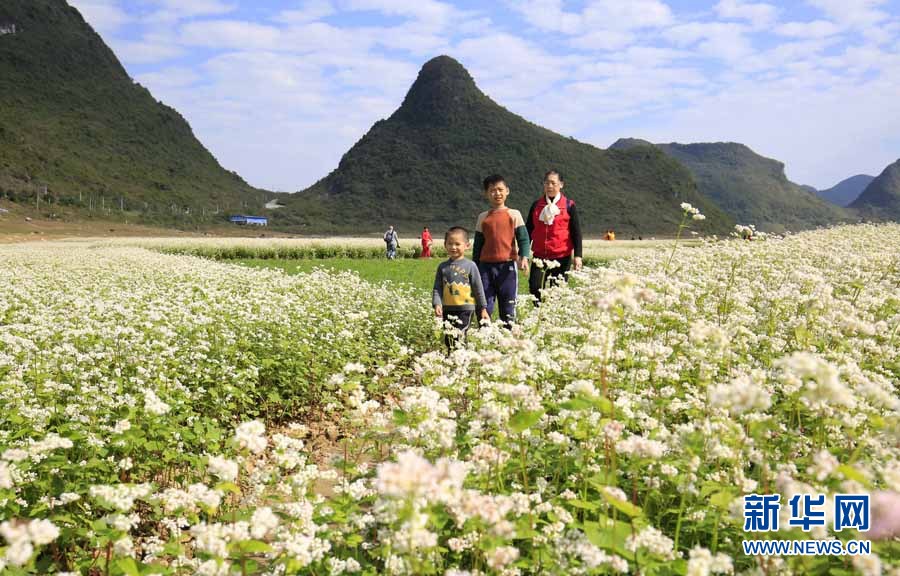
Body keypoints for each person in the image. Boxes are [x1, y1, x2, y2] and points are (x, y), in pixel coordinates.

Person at [473, 174, 530, 327]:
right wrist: (474, 268)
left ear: (507, 191)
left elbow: (524, 239)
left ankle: (508, 336)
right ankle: (484, 336)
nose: (497, 193)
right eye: (492, 190)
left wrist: (524, 257)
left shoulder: (514, 214)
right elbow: (477, 246)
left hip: (508, 267)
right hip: (485, 267)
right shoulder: (482, 217)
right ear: (486, 194)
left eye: (500, 189)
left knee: (508, 303)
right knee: (485, 303)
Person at [526, 170, 583, 303]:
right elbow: (529, 230)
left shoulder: (569, 205)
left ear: (561, 184)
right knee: (535, 288)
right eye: (547, 183)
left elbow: (576, 232)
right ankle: (539, 315)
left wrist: (578, 256)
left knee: (557, 292)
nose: (550, 186)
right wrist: (522, 253)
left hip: (562, 257)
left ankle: (552, 318)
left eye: (553, 183)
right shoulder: (536, 205)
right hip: (540, 256)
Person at [433, 227, 489, 349]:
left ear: (467, 245)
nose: (453, 247)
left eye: (457, 244)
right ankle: (451, 359)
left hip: (466, 309)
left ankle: (462, 360)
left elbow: (478, 288)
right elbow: (437, 288)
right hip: (447, 308)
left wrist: (483, 308)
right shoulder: (442, 267)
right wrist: (437, 304)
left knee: (460, 334)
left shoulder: (471, 266)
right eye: (450, 244)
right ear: (445, 245)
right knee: (449, 337)